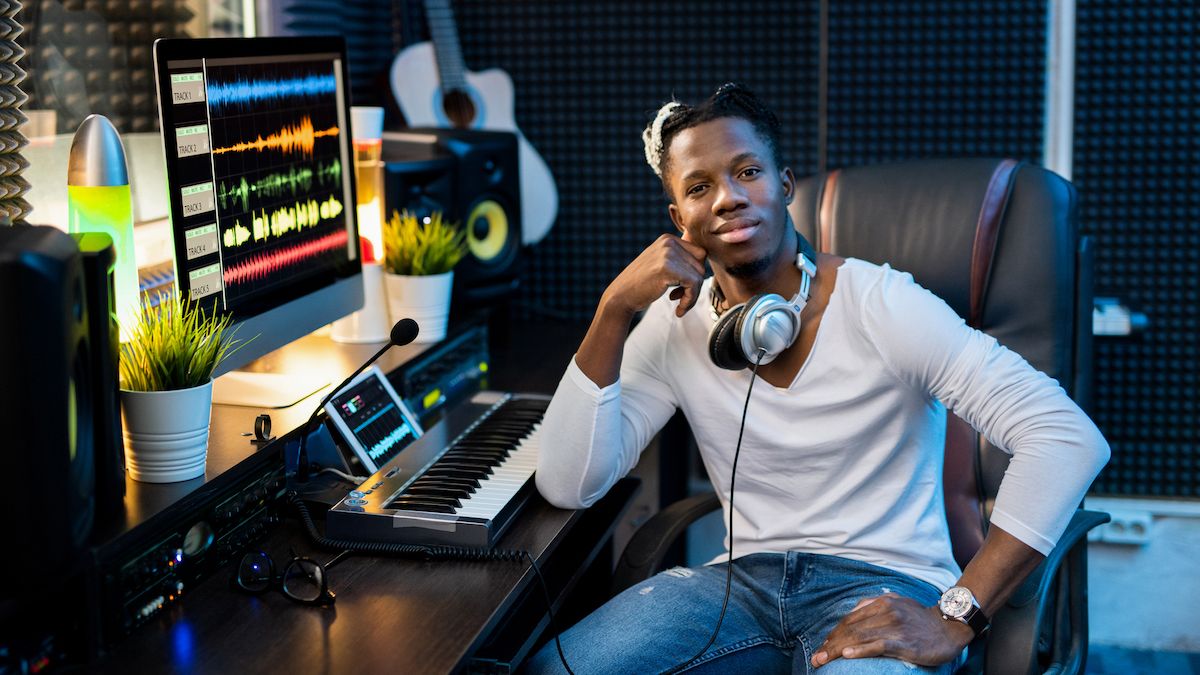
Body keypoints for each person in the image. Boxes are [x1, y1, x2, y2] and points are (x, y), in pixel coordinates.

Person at [525, 83, 1109, 674]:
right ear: (680, 220)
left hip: (885, 585)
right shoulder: (673, 325)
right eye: (699, 187)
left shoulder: (881, 302)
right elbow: (570, 485)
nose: (727, 198)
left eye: (747, 171)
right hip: (737, 588)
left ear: (783, 186)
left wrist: (956, 614)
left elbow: (1065, 438)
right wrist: (613, 309)